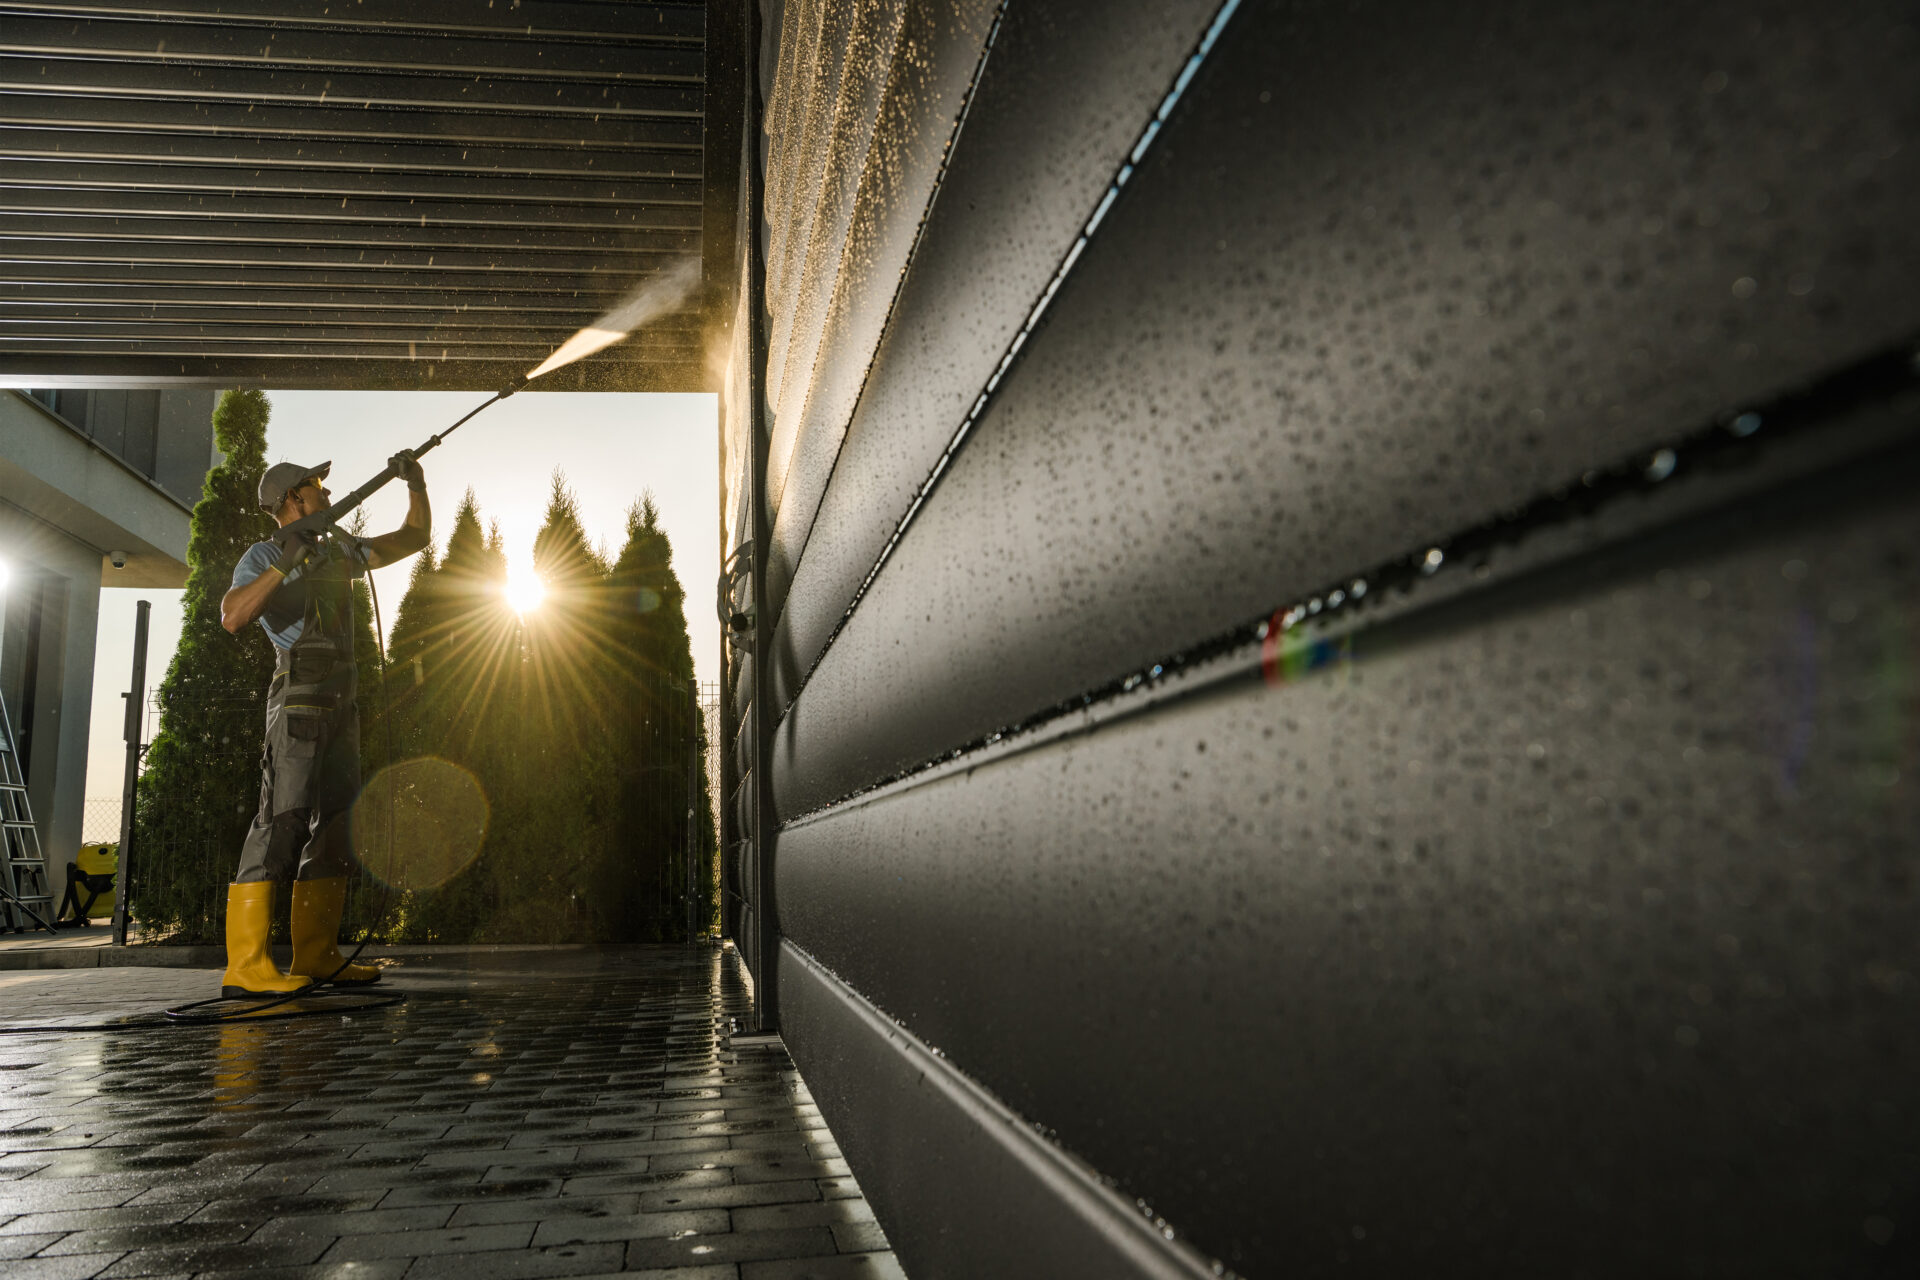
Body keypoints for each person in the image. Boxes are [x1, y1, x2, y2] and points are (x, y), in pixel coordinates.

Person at [216, 453, 429, 997]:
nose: (329, 497)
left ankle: (316, 954)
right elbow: (235, 615)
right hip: (297, 702)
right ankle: (246, 967)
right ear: (293, 500)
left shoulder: (337, 550)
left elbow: (412, 539)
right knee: (281, 821)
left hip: (342, 702)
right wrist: (286, 563)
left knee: (338, 824)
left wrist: (416, 484)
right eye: (318, 488)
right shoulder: (263, 554)